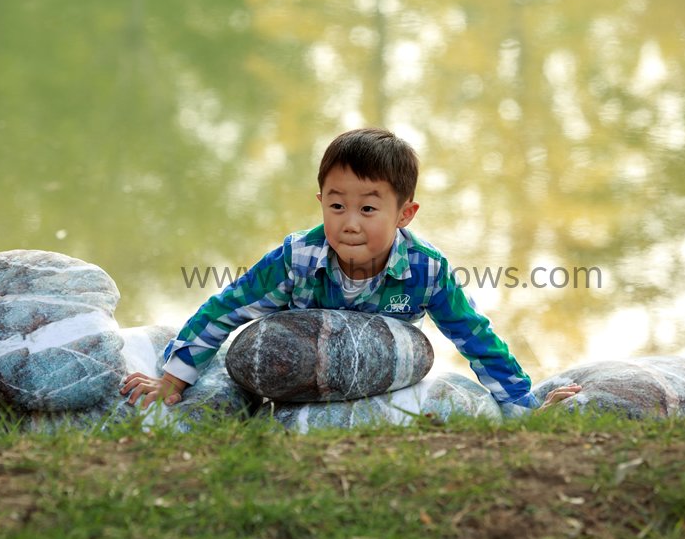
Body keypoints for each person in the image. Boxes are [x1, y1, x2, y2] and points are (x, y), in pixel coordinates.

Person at [121, 128, 581, 410]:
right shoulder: (296, 258)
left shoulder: (425, 270)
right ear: (320, 201)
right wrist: (172, 378)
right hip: (300, 369)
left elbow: (475, 339)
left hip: (380, 372)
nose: (350, 223)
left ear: (405, 214)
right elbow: (226, 308)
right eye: (337, 205)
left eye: (368, 208)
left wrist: (522, 404)